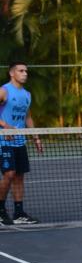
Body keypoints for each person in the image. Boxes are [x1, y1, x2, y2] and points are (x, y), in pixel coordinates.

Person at [0, 61, 44, 225]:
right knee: (9, 174)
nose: (25, 73)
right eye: (21, 71)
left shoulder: (27, 94)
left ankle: (18, 213)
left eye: (26, 71)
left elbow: (27, 117)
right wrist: (5, 126)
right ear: (12, 73)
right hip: (3, 141)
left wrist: (36, 137)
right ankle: (0, 211)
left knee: (19, 177)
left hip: (20, 141)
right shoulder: (4, 91)